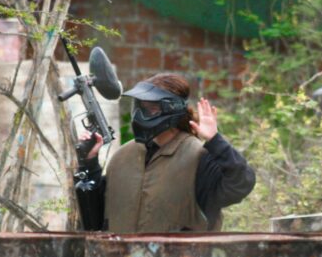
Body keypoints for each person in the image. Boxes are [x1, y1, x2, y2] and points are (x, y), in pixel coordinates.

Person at [75, 73, 255, 232]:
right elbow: (95, 220)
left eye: (151, 108)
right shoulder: (123, 157)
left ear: (172, 109)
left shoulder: (198, 157)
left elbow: (241, 184)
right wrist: (89, 163)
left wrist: (215, 141)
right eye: (140, 106)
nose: (140, 115)